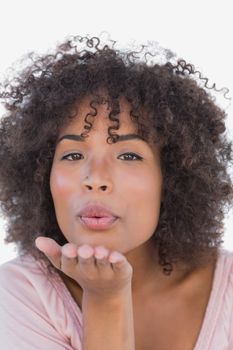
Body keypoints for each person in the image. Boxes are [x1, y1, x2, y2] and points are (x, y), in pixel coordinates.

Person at [0, 34, 232, 350]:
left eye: (128, 155)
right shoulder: (19, 291)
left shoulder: (227, 287)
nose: (95, 178)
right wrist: (105, 299)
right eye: (72, 155)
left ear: (172, 177)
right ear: (43, 178)